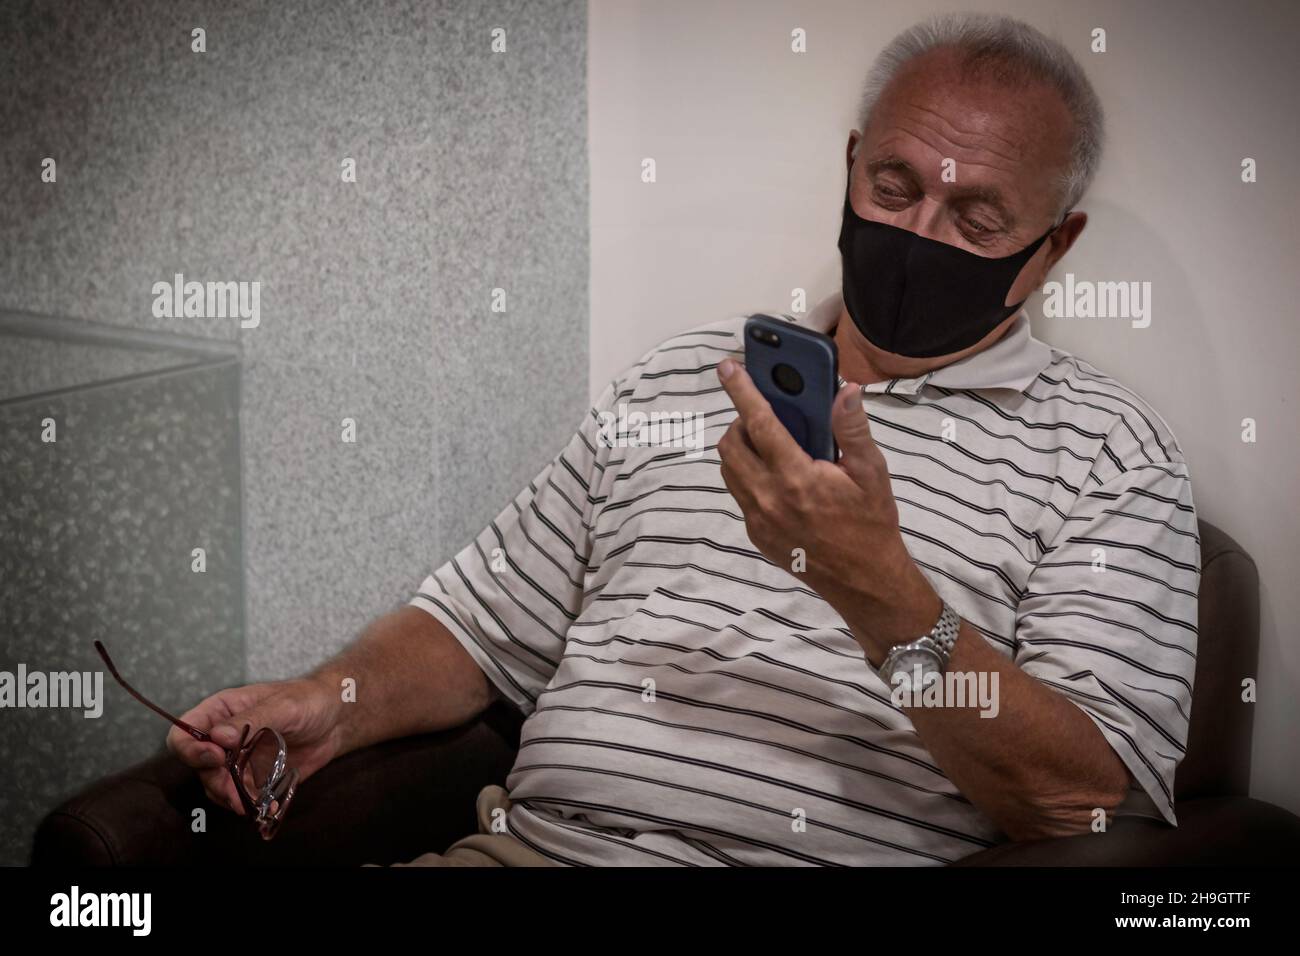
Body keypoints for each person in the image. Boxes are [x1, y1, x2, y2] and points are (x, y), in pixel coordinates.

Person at [169, 12, 1199, 866]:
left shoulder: (1107, 458)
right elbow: (479, 622)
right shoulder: (681, 374)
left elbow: (1088, 805)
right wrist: (326, 703)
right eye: (893, 188)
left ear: (1053, 246)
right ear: (850, 167)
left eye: (975, 217)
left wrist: (884, 595)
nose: (919, 233)